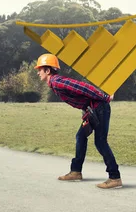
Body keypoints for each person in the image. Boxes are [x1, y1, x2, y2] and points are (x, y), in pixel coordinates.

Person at [34, 53, 122, 189]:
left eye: (40, 70)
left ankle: (115, 177)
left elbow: (83, 87)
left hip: (100, 108)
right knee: (80, 136)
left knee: (100, 142)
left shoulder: (57, 82)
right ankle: (76, 172)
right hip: (92, 110)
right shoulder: (55, 83)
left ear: (47, 70)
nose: (38, 73)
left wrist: (105, 97)